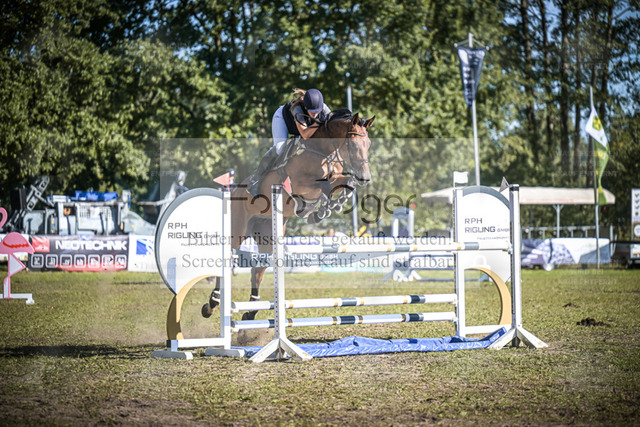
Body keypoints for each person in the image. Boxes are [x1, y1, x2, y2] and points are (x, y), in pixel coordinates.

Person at [248, 88, 331, 195]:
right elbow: (305, 134)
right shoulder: (297, 109)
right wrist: (319, 122)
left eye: (317, 111)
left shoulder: (324, 109)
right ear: (305, 107)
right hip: (283, 120)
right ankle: (255, 180)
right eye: (312, 111)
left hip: (304, 127)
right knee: (279, 148)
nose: (315, 114)